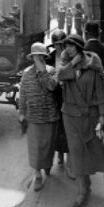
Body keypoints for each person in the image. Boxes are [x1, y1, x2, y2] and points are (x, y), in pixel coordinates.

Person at [57, 35, 104, 207]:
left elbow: (101, 92)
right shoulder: (65, 65)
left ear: (79, 47)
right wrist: (72, 63)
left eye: (72, 45)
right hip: (70, 115)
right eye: (66, 45)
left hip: (90, 115)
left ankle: (86, 183)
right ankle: (81, 192)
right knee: (76, 152)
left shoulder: (93, 66)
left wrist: (103, 115)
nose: (68, 48)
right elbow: (60, 76)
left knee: (89, 151)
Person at [18, 42, 60, 192]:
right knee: (35, 148)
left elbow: (52, 86)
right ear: (32, 57)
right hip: (34, 117)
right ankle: (37, 175)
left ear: (45, 57)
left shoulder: (51, 71)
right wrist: (21, 112)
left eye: (41, 56)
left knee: (48, 146)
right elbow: (22, 94)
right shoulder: (26, 73)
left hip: (50, 116)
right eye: (36, 56)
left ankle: (47, 165)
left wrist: (43, 72)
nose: (39, 58)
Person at [46, 29, 69, 168]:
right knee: (56, 127)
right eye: (56, 44)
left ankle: (67, 154)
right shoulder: (49, 58)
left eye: (61, 44)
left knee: (67, 127)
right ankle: (59, 153)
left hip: (68, 97)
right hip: (54, 98)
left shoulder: (71, 57)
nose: (59, 47)